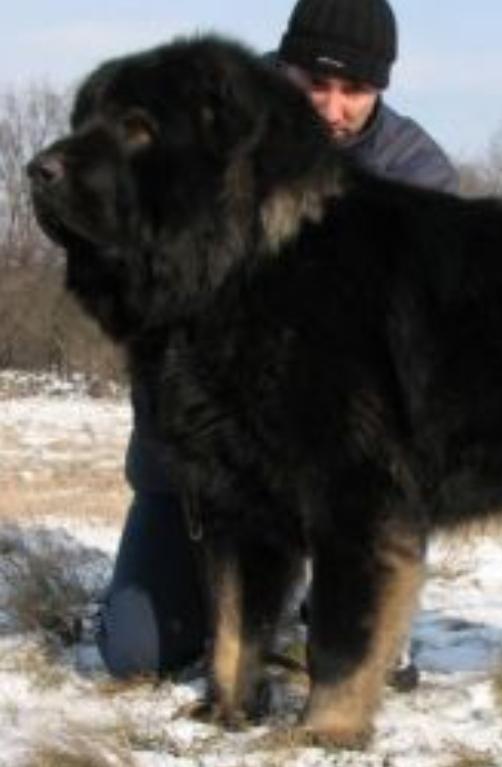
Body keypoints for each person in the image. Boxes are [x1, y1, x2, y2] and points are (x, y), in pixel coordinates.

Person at [96, 0, 458, 688]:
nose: (331, 106)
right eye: (313, 82)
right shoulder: (199, 125)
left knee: (352, 650)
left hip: (344, 461)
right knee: (137, 653)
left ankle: (339, 603)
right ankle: (187, 598)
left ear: (381, 86)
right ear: (282, 66)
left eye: (354, 89)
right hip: (206, 468)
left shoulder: (417, 173)